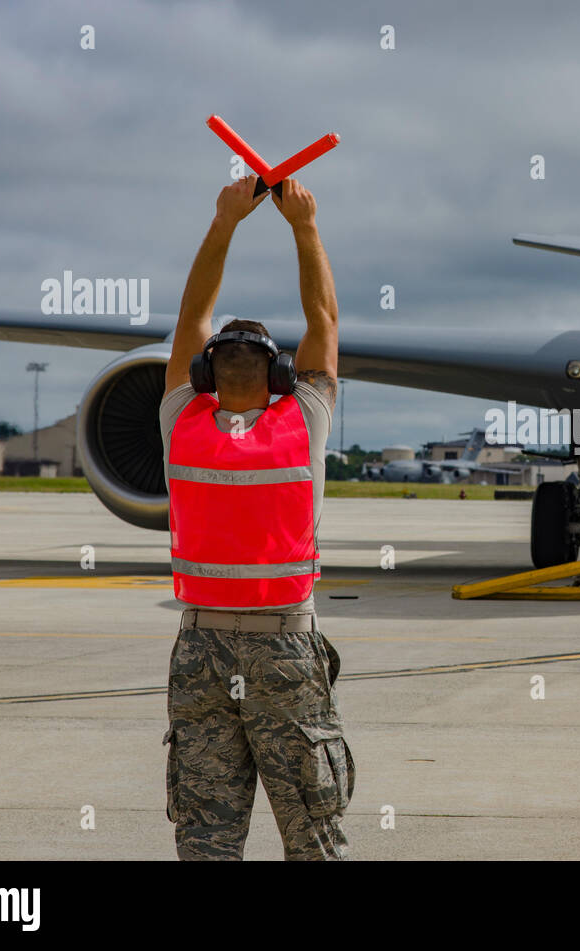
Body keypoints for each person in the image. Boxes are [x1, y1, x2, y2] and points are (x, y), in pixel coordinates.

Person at [158, 175, 352, 860]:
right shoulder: (303, 421)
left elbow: (190, 316)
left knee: (206, 834)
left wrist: (223, 222)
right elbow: (324, 320)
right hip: (285, 648)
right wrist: (304, 225)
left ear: (205, 373)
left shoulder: (184, 421)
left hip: (201, 647)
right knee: (314, 833)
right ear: (280, 376)